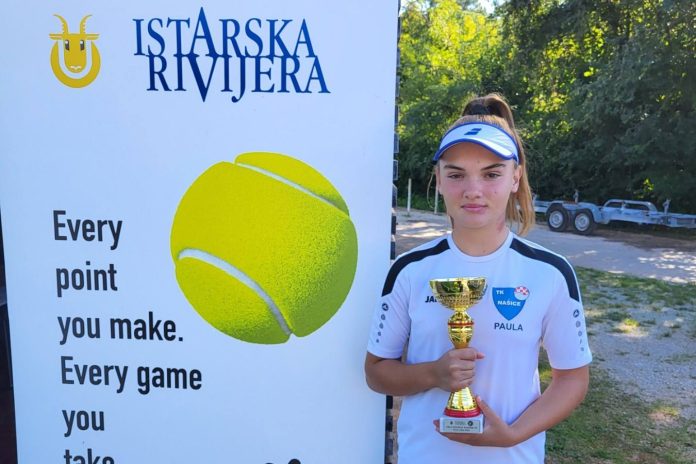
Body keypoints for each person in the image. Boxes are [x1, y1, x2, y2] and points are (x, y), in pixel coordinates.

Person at [365, 93, 591, 463]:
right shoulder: (409, 269)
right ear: (438, 180)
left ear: (515, 177)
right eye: (456, 174)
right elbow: (376, 372)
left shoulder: (550, 273)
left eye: (491, 174)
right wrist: (434, 374)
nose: (473, 190)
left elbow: (572, 379)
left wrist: (512, 435)